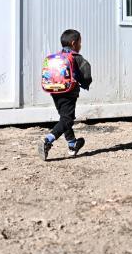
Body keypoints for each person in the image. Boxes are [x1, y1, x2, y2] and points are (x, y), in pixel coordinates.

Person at [39, 29, 92, 161]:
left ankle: (72, 144)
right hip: (69, 93)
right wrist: (85, 83)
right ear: (74, 43)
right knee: (67, 119)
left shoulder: (57, 57)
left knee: (64, 118)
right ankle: (48, 140)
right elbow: (86, 76)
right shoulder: (77, 58)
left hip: (54, 91)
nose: (80, 45)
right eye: (80, 42)